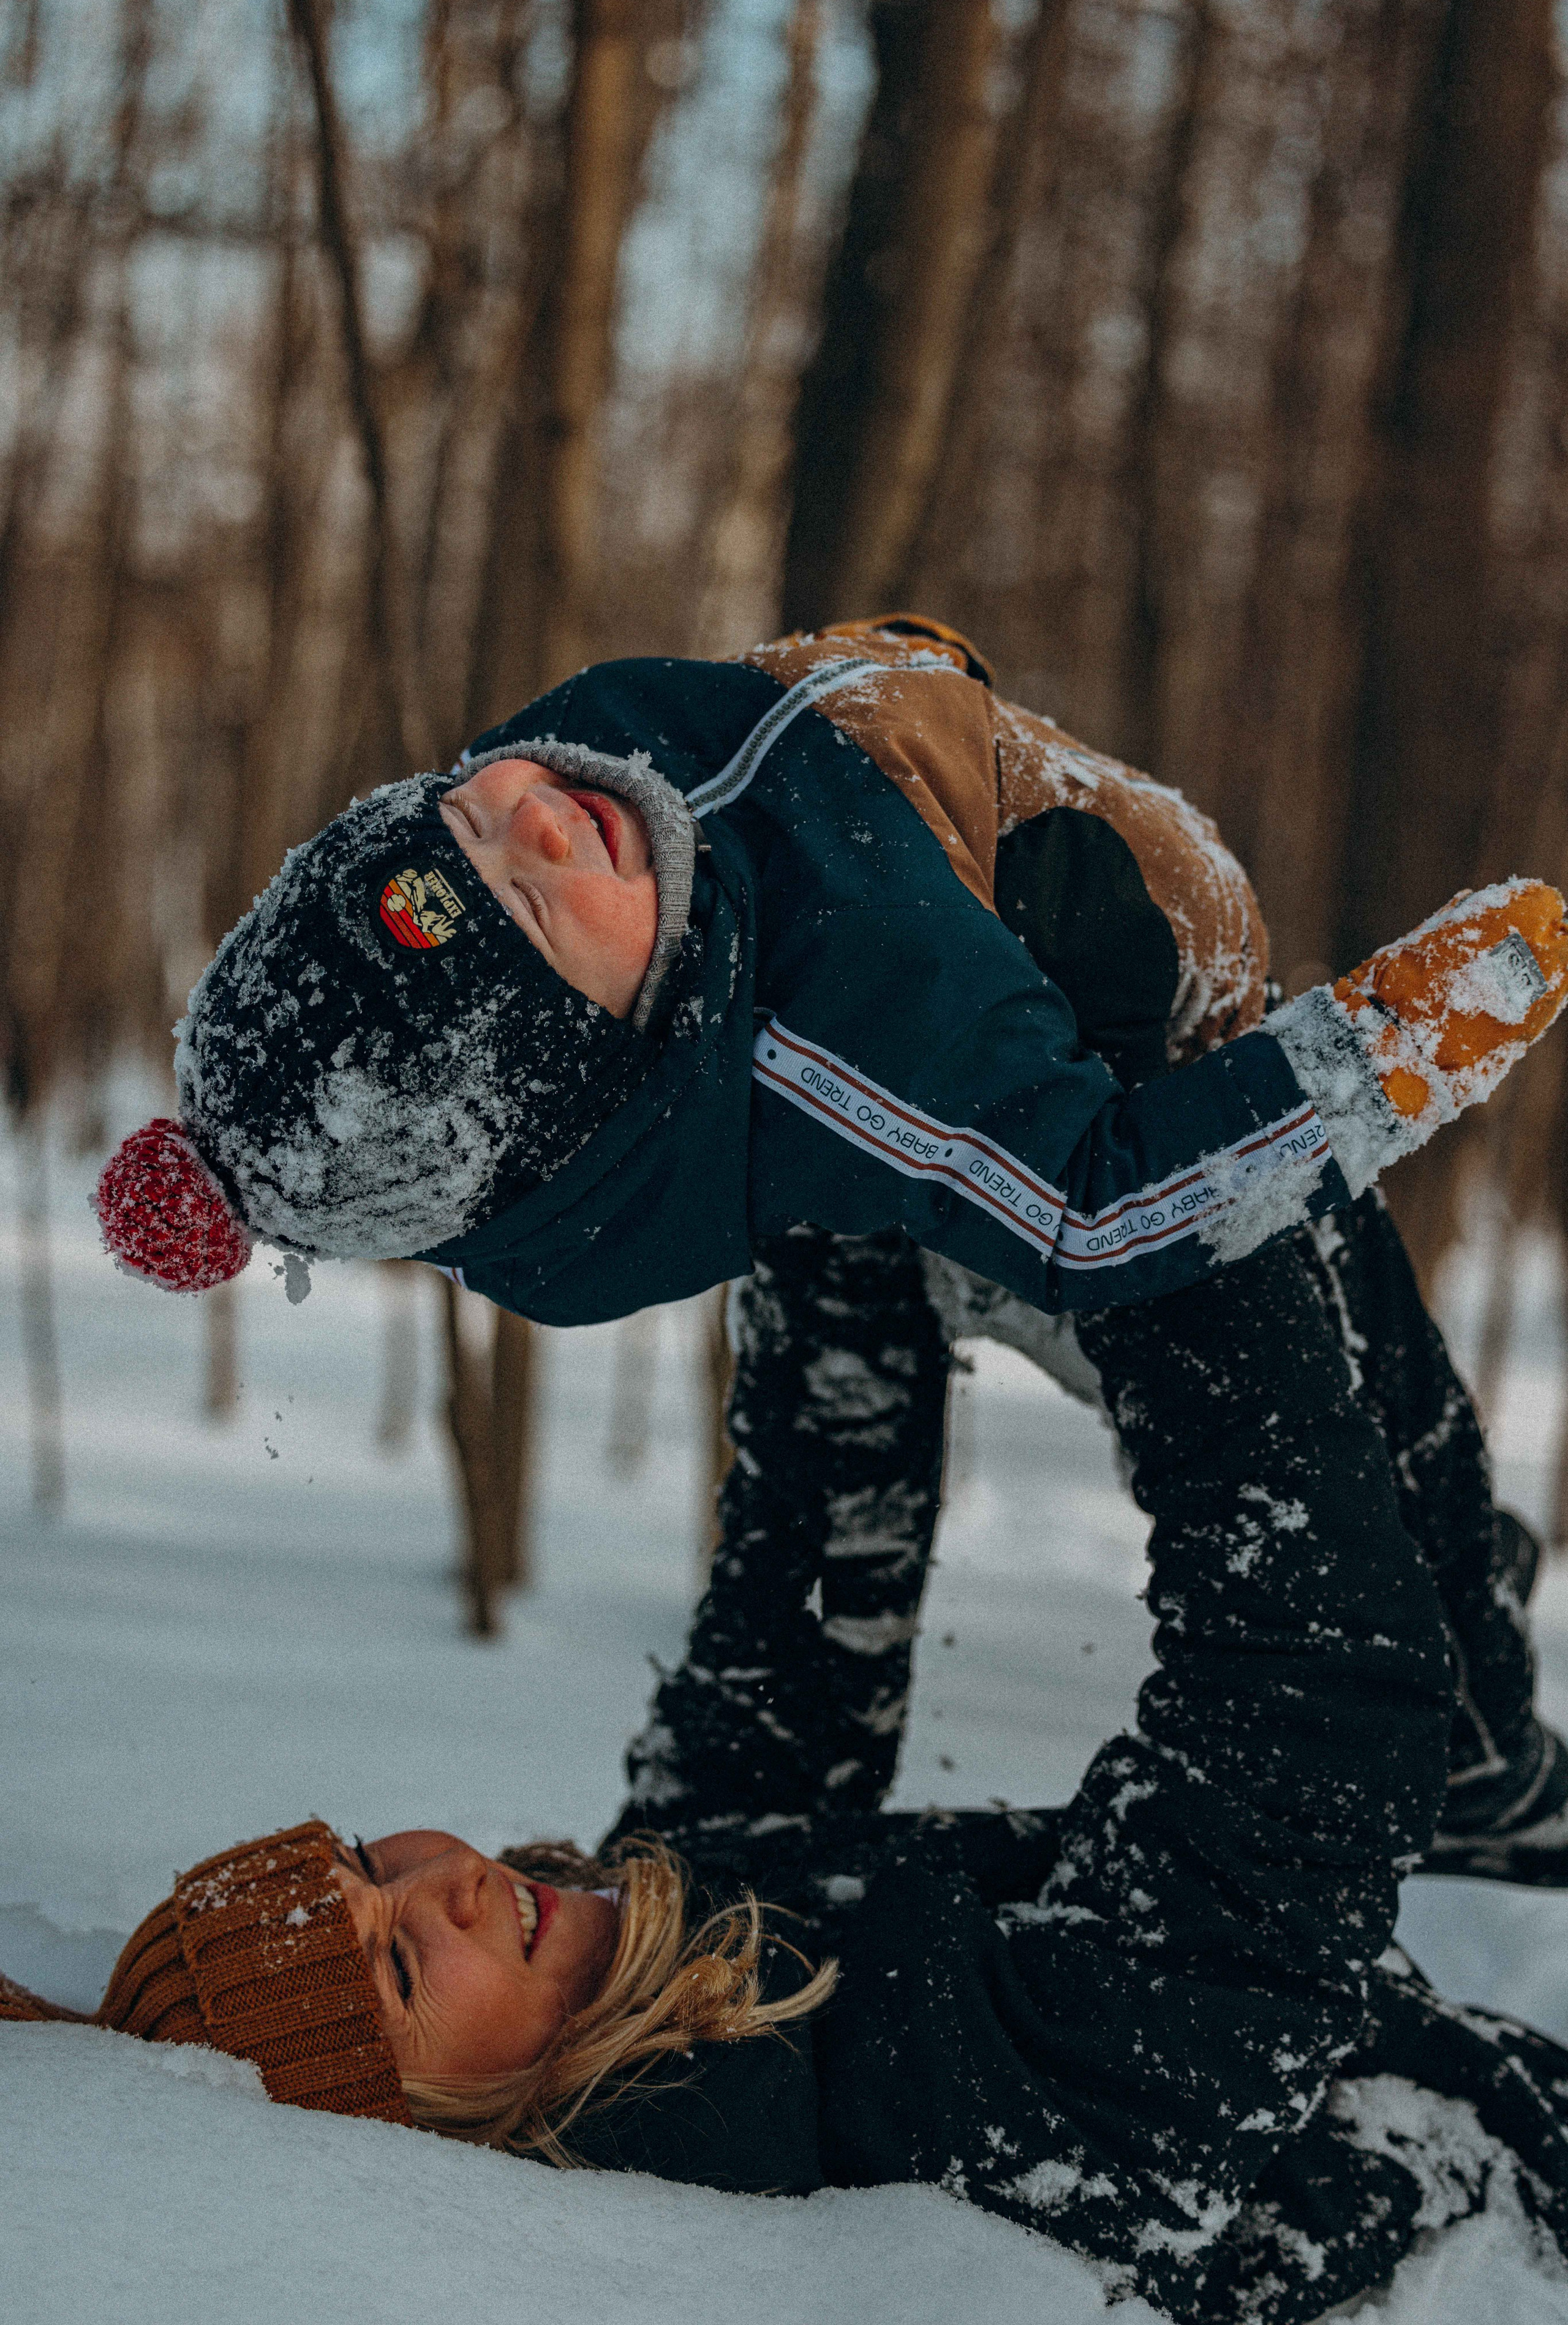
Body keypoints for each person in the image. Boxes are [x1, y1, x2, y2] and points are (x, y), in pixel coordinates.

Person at [90, 611, 1568, 1869]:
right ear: (602, 1071)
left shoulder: (590, 804)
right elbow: (1094, 1209)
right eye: (539, 914)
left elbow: (599, 798)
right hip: (1130, 1084)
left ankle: (744, 1819)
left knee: (853, 1393)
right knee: (1314, 1385)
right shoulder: (850, 1042)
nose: (540, 821)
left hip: (893, 993)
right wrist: (1379, 1053)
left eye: (469, 820)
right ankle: (1476, 1753)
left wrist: (909, 670)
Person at [9, 1229, 1568, 2324]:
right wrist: (1179, 1238)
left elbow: (811, 1578)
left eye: (369, 1857)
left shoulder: (664, 1936)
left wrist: (832, 1174)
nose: (455, 1879)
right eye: (404, 1959)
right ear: (450, 2132)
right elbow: (1308, 1727)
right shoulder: (897, 2126)